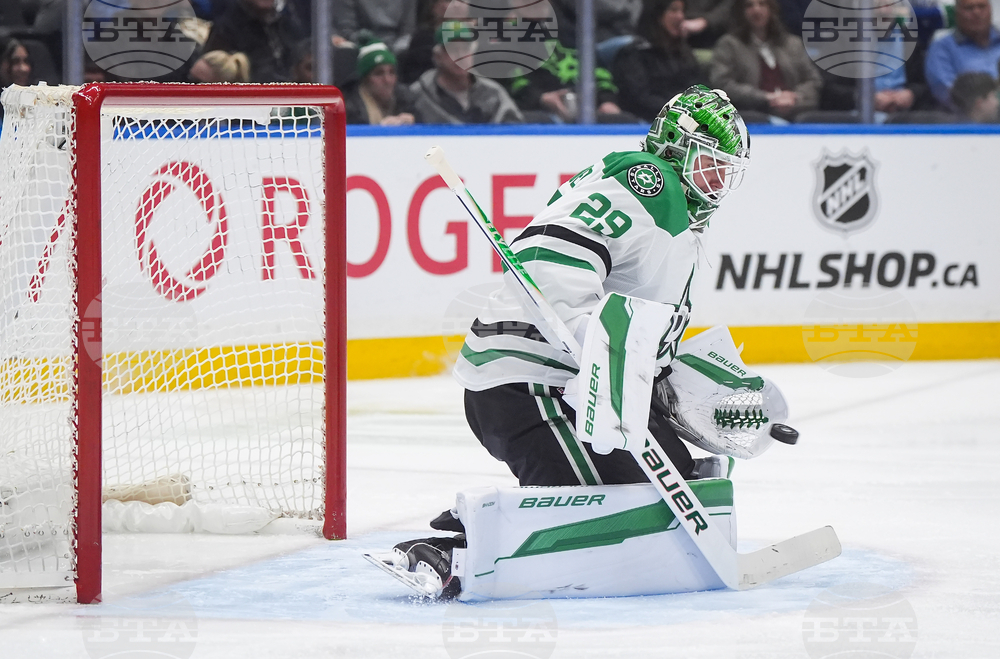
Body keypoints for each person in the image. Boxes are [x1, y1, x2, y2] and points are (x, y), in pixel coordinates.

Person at [370, 86, 752, 599]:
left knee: (677, 483)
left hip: (560, 386)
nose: (719, 181)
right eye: (711, 164)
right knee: (634, 500)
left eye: (728, 170)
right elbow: (545, 257)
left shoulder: (672, 214)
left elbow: (639, 335)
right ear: (677, 146)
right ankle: (450, 552)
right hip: (533, 385)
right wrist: (597, 347)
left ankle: (479, 539)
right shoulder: (649, 181)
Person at [709, 0, 821, 120]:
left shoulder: (793, 44)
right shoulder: (729, 45)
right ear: (741, 11)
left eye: (762, 4)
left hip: (796, 111)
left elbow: (813, 80)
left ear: (772, 9)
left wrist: (794, 96)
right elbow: (723, 83)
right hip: (752, 114)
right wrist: (766, 97)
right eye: (749, 6)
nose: (756, 10)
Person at [613, 0, 707, 122]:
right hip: (649, 123)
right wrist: (678, 110)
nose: (680, 16)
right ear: (657, 15)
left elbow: (701, 87)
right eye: (673, 10)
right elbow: (639, 98)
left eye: (682, 11)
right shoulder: (634, 53)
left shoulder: (684, 53)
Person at [410, 28, 523, 124]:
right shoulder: (418, 94)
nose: (460, 56)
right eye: (453, 50)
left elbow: (515, 130)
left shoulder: (493, 92)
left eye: (465, 49)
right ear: (438, 56)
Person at [202, 0, 307, 82]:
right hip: (247, 101)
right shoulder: (226, 29)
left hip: (291, 98)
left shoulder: (287, 24)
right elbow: (212, 74)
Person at [925, 0, 1000, 108]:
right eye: (969, 8)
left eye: (982, 6)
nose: (977, 12)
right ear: (956, 13)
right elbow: (947, 94)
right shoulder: (942, 48)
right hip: (965, 118)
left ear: (990, 9)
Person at [344, 37, 420, 125]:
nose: (387, 80)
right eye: (378, 73)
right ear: (365, 79)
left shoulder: (407, 99)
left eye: (392, 72)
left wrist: (415, 122)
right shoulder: (349, 109)